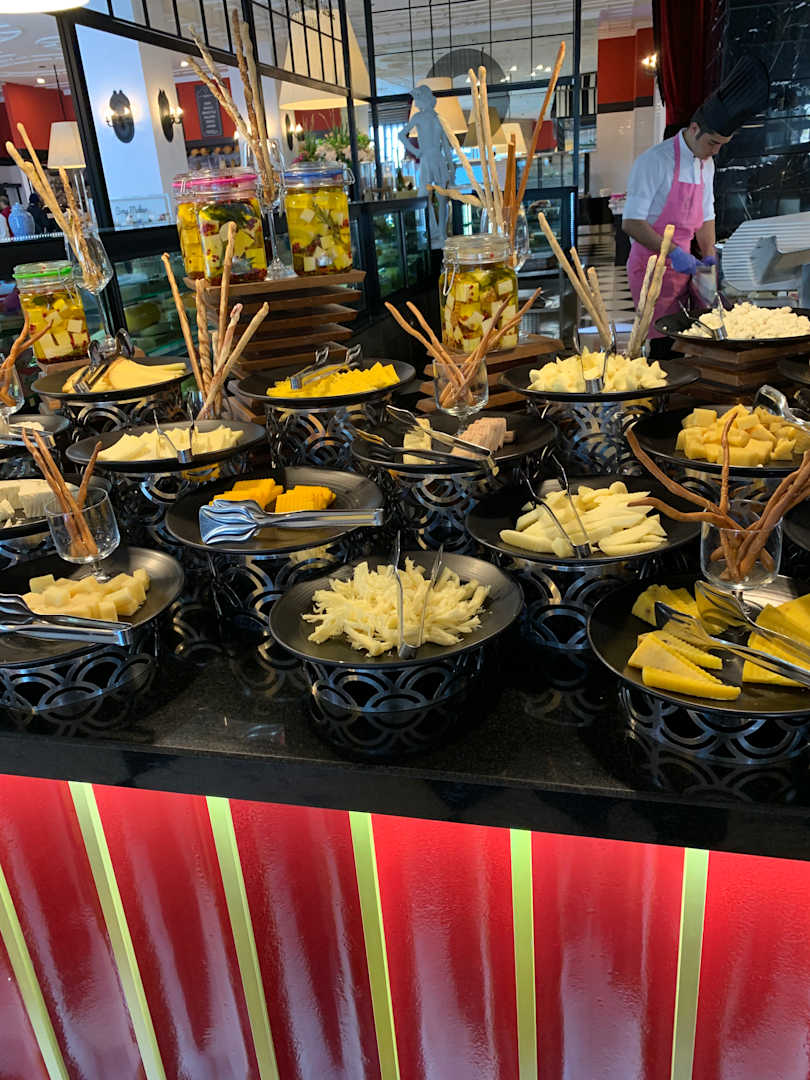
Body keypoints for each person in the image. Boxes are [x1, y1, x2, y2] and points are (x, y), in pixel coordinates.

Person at [623, 55, 770, 356]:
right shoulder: (654, 161)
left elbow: (706, 216)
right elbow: (632, 223)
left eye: (721, 146)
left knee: (697, 340)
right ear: (694, 129)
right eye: (712, 143)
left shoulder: (707, 163)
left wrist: (709, 257)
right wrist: (674, 253)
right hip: (652, 269)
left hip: (686, 267)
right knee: (665, 346)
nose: (714, 151)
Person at [398, 84, 455, 246]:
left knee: (441, 197)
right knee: (425, 196)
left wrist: (451, 166)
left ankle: (441, 233)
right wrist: (415, 152)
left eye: (417, 99)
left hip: (436, 158)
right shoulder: (422, 118)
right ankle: (434, 231)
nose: (416, 103)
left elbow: (446, 145)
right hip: (430, 158)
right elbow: (401, 135)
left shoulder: (437, 119)